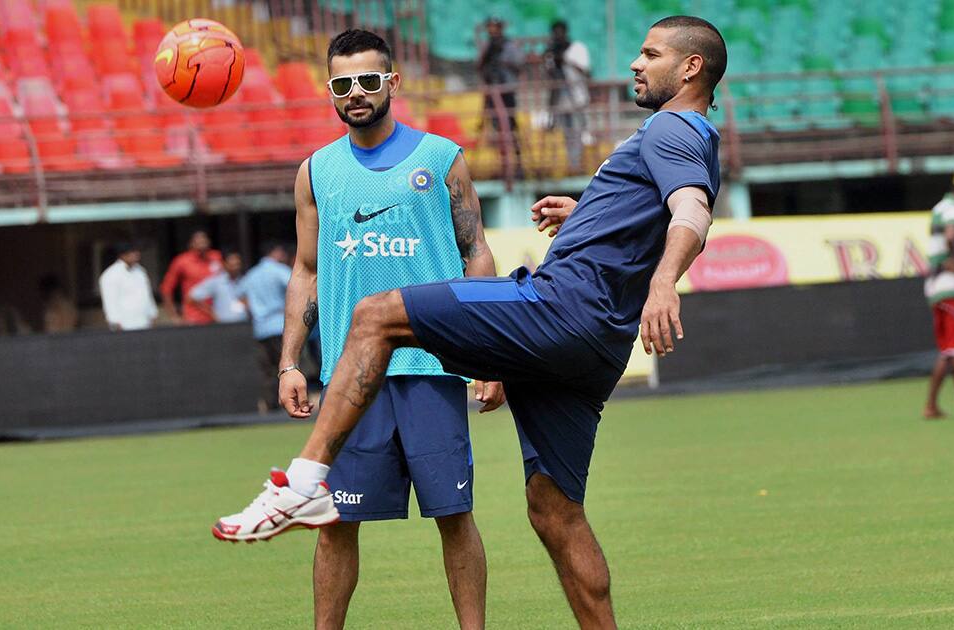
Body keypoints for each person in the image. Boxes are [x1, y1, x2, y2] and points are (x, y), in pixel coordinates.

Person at [215, 16, 726, 629]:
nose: (635, 64)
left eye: (650, 53)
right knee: (554, 511)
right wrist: (586, 213)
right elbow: (650, 208)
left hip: (560, 309)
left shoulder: (671, 126)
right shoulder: (691, 135)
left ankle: (302, 480)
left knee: (376, 315)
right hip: (596, 346)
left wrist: (666, 280)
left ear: (691, 67)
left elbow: (690, 210)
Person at [215, 29, 502, 630]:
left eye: (369, 81)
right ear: (330, 90)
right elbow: (307, 270)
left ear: (392, 82)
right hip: (351, 378)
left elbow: (477, 253)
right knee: (334, 521)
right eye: (342, 84)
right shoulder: (316, 171)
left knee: (455, 514)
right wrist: (291, 361)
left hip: (432, 366)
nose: (356, 94)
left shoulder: (440, 158)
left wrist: (487, 352)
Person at [923, 167, 954, 418]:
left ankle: (931, 406)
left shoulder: (940, 207)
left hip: (937, 288)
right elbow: (951, 234)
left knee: (948, 351)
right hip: (953, 287)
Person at [236, 242, 293, 411]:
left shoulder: (251, 274)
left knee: (267, 370)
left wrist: (254, 310)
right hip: (279, 325)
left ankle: (271, 405)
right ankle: (292, 402)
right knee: (288, 366)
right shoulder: (278, 270)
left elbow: (239, 295)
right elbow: (297, 285)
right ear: (275, 252)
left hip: (260, 328)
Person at [477, 17, 524, 174]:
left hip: (506, 91)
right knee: (496, 129)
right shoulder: (488, 46)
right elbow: (481, 66)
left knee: (510, 127)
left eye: (495, 27)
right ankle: (503, 167)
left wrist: (502, 61)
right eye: (490, 27)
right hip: (492, 92)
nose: (492, 30)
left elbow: (518, 63)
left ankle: (517, 165)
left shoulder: (508, 45)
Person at [544, 20, 591, 173]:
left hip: (577, 97)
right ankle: (572, 164)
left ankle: (577, 164)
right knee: (566, 134)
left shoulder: (576, 49)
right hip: (560, 99)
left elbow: (586, 72)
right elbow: (549, 76)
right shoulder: (551, 52)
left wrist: (565, 60)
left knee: (578, 132)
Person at [159, 230, 222, 325]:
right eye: (198, 241)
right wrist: (173, 316)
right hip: (193, 317)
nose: (202, 243)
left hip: (218, 315)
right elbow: (166, 288)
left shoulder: (217, 257)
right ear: (191, 243)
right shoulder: (182, 261)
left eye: (204, 240)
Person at [99, 242, 158, 331]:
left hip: (144, 323)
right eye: (132, 252)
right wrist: (115, 322)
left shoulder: (140, 271)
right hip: (125, 325)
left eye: (137, 251)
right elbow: (110, 301)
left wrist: (152, 314)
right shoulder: (111, 275)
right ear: (122, 255)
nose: (137, 254)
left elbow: (147, 295)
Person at [187, 250, 247, 324]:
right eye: (232, 265)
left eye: (237, 265)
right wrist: (212, 313)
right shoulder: (216, 282)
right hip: (223, 325)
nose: (235, 268)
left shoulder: (246, 281)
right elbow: (192, 297)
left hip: (243, 323)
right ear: (224, 264)